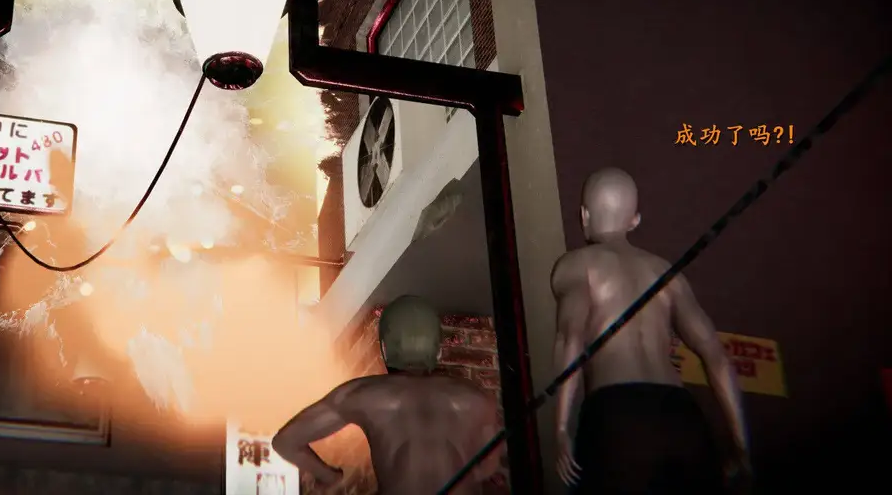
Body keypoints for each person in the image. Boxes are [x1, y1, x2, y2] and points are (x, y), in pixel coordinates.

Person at [551, 167, 751, 494]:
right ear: (634, 220)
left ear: (584, 215)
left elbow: (569, 337)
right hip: (681, 415)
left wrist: (560, 427)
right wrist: (739, 441)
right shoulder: (665, 273)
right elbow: (716, 356)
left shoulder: (577, 264)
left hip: (618, 413)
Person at [272, 295, 503, 494]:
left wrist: (329, 476)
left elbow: (285, 441)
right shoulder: (478, 399)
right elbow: (487, 468)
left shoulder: (363, 394)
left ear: (384, 347)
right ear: (438, 351)